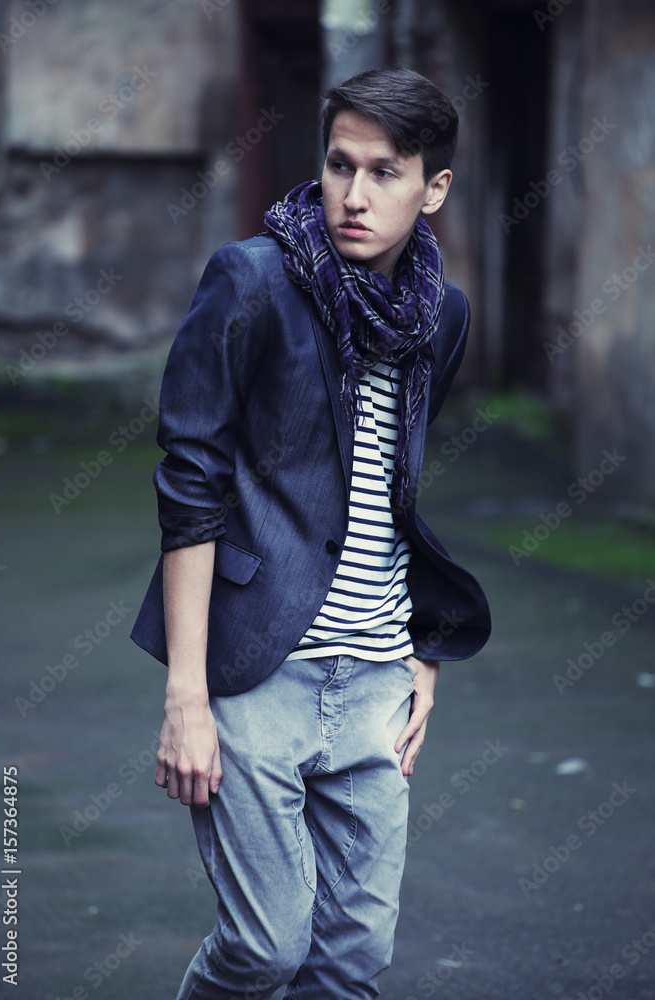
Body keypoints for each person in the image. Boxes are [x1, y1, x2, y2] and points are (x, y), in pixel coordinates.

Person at [131, 66, 491, 1000]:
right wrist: (186, 695)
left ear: (434, 188)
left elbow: (393, 487)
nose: (354, 195)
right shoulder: (251, 281)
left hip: (376, 676)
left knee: (349, 965)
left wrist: (423, 650)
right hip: (257, 669)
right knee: (266, 950)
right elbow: (191, 487)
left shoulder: (440, 315)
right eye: (339, 165)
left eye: (384, 172)